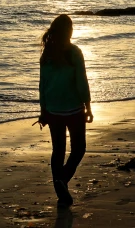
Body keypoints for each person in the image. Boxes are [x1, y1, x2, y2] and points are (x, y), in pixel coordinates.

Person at [37, 14, 93, 208]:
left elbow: (42, 85)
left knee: (58, 150)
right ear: (69, 31)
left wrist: (43, 110)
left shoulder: (47, 54)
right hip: (73, 109)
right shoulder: (74, 52)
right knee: (79, 148)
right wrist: (88, 106)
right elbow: (81, 81)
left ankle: (60, 189)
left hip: (52, 109)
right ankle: (63, 180)